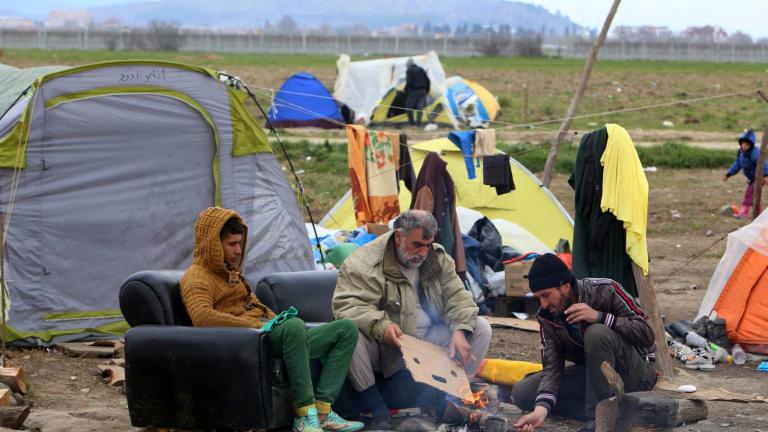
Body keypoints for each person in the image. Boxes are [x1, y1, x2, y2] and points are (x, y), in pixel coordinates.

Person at [180, 207, 364, 432]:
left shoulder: (232, 275)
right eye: (232, 245)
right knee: (293, 326)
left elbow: (257, 307)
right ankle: (305, 415)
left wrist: (276, 321)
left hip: (272, 334)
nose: (239, 251)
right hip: (250, 342)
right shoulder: (196, 277)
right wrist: (259, 326)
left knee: (346, 329)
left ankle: (324, 411)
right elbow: (202, 317)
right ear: (212, 244)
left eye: (240, 244)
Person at [333, 210, 491, 430]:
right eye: (417, 245)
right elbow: (348, 306)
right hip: (386, 345)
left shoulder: (437, 257)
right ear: (399, 236)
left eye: (428, 244)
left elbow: (458, 297)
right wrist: (383, 326)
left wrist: (460, 330)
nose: (424, 252)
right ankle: (378, 411)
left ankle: (451, 401)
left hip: (428, 341)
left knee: (481, 327)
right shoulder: (365, 262)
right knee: (349, 334)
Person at [511, 254, 657, 432]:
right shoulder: (547, 316)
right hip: (593, 377)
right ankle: (616, 411)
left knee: (596, 333)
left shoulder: (606, 290)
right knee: (523, 394)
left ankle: (596, 420)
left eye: (547, 295)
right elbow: (552, 367)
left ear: (565, 286)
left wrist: (600, 317)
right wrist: (541, 410)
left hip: (634, 373)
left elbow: (647, 334)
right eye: (539, 297)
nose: (543, 303)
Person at [723, 129, 768, 218]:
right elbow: (737, 164)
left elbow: (764, 163)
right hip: (752, 179)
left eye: (747, 144)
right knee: (754, 196)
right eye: (743, 143)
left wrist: (766, 175)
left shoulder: (755, 153)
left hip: (760, 177)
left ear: (751, 145)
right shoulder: (741, 153)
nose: (744, 146)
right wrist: (729, 173)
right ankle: (759, 214)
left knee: (749, 194)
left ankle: (743, 213)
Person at [404, 58, 430, 127]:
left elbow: (409, 82)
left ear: (408, 65)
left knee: (408, 106)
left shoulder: (409, 70)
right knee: (420, 107)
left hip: (414, 91)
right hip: (423, 91)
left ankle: (412, 123)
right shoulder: (421, 69)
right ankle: (418, 124)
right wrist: (427, 91)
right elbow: (428, 81)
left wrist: (406, 90)